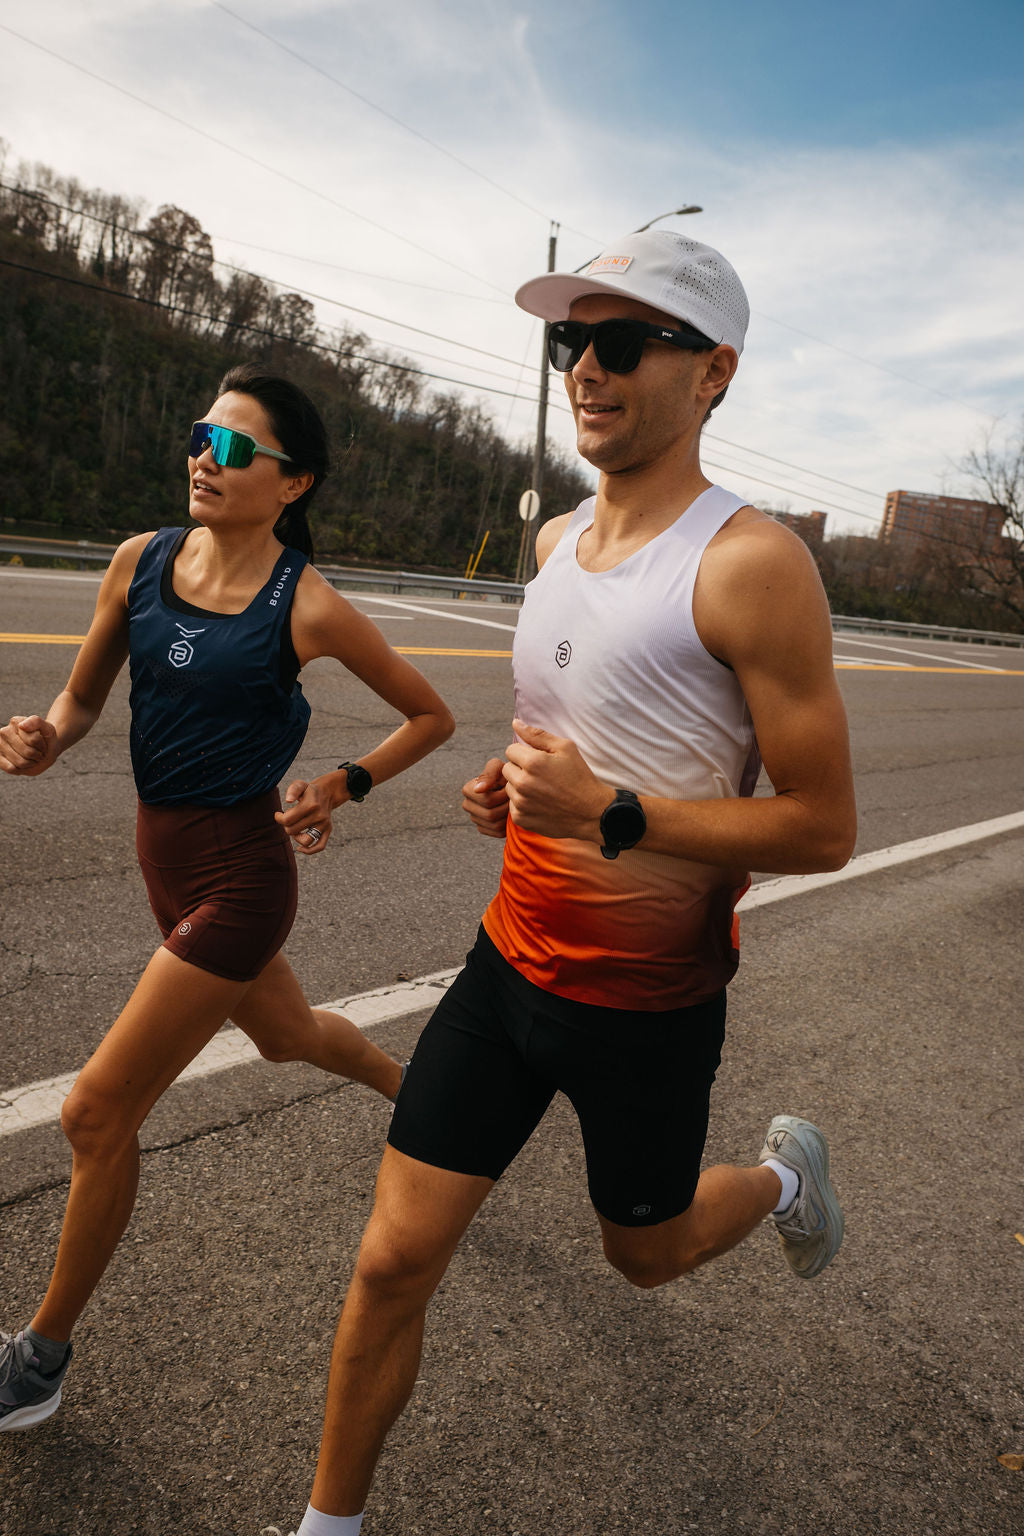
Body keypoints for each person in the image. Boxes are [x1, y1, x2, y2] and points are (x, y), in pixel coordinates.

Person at [284, 230, 858, 1536]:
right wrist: (517, 788)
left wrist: (612, 813)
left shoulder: (751, 565)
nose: (585, 370)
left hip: (648, 1007)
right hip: (506, 966)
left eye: (622, 342)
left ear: (712, 373)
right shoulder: (551, 542)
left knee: (643, 1259)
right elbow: (579, 737)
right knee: (390, 1263)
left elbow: (822, 828)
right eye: (569, 342)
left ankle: (782, 1181)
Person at [0, 363, 454, 1434]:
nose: (206, 457)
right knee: (291, 1037)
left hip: (242, 881)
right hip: (167, 866)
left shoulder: (310, 606)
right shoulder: (138, 560)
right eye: (202, 435)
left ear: (292, 483)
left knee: (96, 1111)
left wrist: (345, 780)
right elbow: (77, 698)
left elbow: (430, 715)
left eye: (237, 447)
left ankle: (38, 1362)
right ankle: (426, 1104)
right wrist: (42, 739)